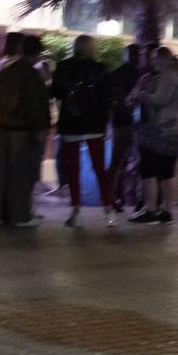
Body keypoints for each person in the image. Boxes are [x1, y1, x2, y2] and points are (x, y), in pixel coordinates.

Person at [51, 35, 117, 227]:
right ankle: (108, 209)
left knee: (73, 169)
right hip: (94, 125)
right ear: (91, 48)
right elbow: (108, 99)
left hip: (70, 124)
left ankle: (75, 210)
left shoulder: (63, 68)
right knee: (99, 169)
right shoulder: (100, 69)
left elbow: (56, 94)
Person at [0, 32, 51, 229]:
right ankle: (21, 216)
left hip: (3, 128)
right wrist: (40, 131)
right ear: (38, 53)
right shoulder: (31, 76)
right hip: (23, 130)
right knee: (21, 175)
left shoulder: (6, 72)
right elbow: (35, 107)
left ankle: (6, 214)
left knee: (5, 174)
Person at [131, 47, 178, 224]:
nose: (152, 61)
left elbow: (159, 100)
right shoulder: (177, 76)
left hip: (161, 130)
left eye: (155, 58)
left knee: (149, 171)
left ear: (164, 59)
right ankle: (167, 211)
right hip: (173, 129)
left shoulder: (167, 76)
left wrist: (143, 95)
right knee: (167, 173)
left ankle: (151, 210)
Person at [107, 43, 141, 213]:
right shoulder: (138, 75)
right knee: (132, 162)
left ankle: (114, 196)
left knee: (117, 162)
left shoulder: (117, 74)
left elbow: (112, 99)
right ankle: (125, 197)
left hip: (119, 122)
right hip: (131, 123)